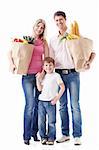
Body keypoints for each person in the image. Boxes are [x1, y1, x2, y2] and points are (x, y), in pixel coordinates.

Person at [49, 11, 95, 145]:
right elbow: (51, 59)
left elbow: (91, 52)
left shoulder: (74, 36)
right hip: (58, 75)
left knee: (75, 105)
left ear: (65, 20)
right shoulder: (52, 40)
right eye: (56, 20)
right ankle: (65, 134)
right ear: (55, 22)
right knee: (62, 106)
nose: (59, 22)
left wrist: (89, 62)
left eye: (61, 20)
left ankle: (77, 135)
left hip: (73, 74)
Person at [8, 19, 49, 145]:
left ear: (43, 30)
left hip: (39, 77)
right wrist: (12, 64)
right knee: (30, 105)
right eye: (38, 26)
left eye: (42, 28)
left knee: (38, 106)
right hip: (27, 76)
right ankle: (26, 135)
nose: (39, 29)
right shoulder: (27, 39)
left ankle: (34, 133)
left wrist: (42, 73)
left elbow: (46, 59)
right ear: (34, 26)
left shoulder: (44, 42)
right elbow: (11, 51)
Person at [36, 57, 65, 145]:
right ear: (44, 67)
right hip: (41, 101)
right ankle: (43, 137)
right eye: (46, 65)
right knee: (41, 121)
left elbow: (62, 87)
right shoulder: (43, 76)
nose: (48, 67)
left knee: (51, 121)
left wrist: (56, 98)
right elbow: (40, 89)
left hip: (51, 102)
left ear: (54, 66)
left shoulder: (56, 76)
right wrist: (38, 79)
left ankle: (51, 138)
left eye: (50, 65)